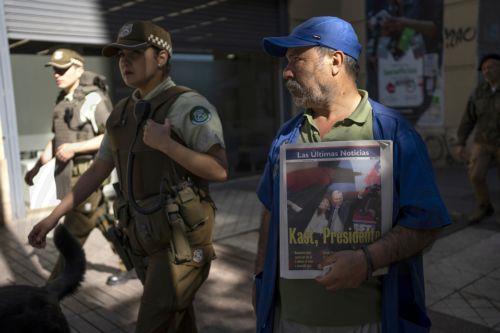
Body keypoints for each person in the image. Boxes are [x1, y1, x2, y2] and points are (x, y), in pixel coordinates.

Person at [28, 21, 228, 333]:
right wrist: (53, 217)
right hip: (143, 239)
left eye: (134, 53)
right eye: (121, 55)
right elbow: (97, 170)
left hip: (182, 243)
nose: (124, 61)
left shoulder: (187, 105)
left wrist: (167, 145)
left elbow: (219, 170)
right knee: (177, 320)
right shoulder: (122, 112)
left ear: (161, 58)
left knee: (152, 323)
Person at [254, 16, 450, 332]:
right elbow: (269, 211)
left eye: (297, 60)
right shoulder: (287, 135)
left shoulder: (394, 133)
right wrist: (260, 278)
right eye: (286, 63)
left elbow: (427, 223)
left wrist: (366, 261)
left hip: (367, 321)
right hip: (289, 318)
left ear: (336, 61)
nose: (286, 72)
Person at [24, 48, 133, 285]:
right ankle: (131, 261)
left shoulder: (94, 99)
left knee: (69, 236)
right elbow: (57, 139)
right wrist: (35, 169)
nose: (56, 73)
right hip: (71, 177)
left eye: (62, 69)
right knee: (103, 221)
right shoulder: (63, 99)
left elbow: (114, 137)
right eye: (54, 69)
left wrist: (75, 149)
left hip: (87, 178)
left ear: (79, 68)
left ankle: (50, 293)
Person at [455, 53, 500, 223]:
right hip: (483, 142)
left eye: (491, 67)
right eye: (484, 69)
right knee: (476, 175)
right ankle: (484, 206)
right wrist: (460, 142)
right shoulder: (479, 92)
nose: (487, 71)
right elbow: (468, 118)